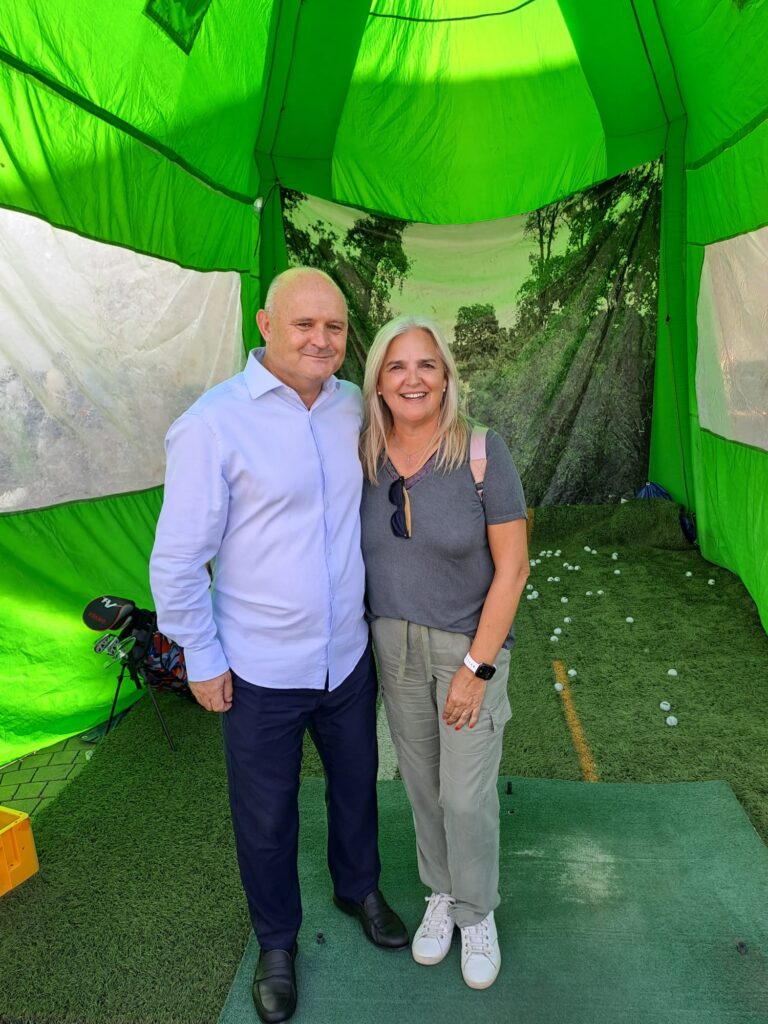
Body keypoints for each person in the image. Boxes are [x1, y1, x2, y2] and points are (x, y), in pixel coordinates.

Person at [150, 268, 408, 1024]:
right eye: (305, 325)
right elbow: (177, 560)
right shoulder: (212, 425)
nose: (322, 340)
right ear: (265, 325)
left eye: (335, 327)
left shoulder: (354, 405)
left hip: (346, 657)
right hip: (258, 668)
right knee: (266, 819)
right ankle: (276, 941)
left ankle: (358, 889)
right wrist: (202, 658)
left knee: (356, 787)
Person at [360, 315, 529, 990]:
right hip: (393, 643)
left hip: (468, 646)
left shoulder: (483, 452)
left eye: (427, 365)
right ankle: (441, 891)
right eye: (397, 366)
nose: (413, 379)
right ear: (378, 382)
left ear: (447, 377)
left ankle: (476, 911)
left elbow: (513, 568)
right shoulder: (363, 455)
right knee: (424, 785)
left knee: (464, 795)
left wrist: (476, 668)